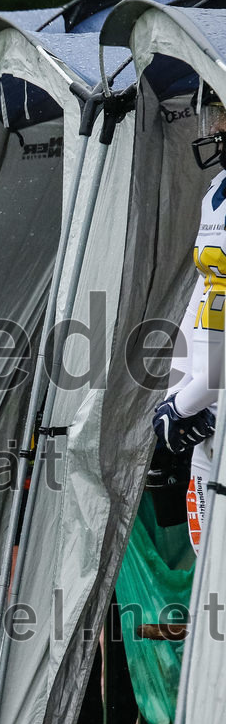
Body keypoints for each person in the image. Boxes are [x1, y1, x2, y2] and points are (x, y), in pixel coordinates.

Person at [152, 81, 226, 553]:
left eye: (222, 113)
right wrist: (176, 391)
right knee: (208, 562)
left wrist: (191, 401)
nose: (215, 127)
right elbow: (202, 295)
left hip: (215, 400)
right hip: (206, 408)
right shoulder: (216, 191)